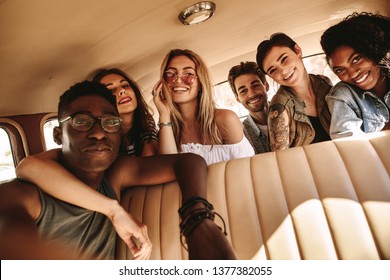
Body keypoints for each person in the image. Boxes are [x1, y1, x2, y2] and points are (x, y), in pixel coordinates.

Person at [1, 81, 236, 260]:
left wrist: (197, 220)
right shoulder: (24, 195)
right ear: (58, 135)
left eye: (110, 122)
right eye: (82, 121)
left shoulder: (115, 174)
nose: (99, 132)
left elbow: (189, 162)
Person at [152, 49, 255, 165]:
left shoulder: (225, 120)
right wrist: (164, 115)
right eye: (170, 74)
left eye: (188, 74)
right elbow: (169, 170)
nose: (178, 79)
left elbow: (246, 172)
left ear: (200, 83)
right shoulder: (165, 130)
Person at [256, 33, 333, 151]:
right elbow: (280, 160)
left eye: (284, 59)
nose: (283, 71)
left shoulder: (323, 82)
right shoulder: (279, 108)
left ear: (297, 51)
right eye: (273, 70)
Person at [320, 12, 390, 139]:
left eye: (356, 59)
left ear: (375, 51)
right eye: (340, 70)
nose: (352, 73)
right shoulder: (342, 95)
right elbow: (350, 148)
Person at [93, 68, 158, 156]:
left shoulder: (145, 120)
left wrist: (164, 114)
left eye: (125, 85)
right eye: (111, 90)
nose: (122, 91)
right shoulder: (101, 137)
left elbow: (151, 157)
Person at [227, 61, 270, 154]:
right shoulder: (240, 136)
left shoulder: (291, 113)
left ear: (266, 85)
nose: (251, 94)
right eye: (243, 91)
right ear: (238, 98)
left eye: (255, 85)